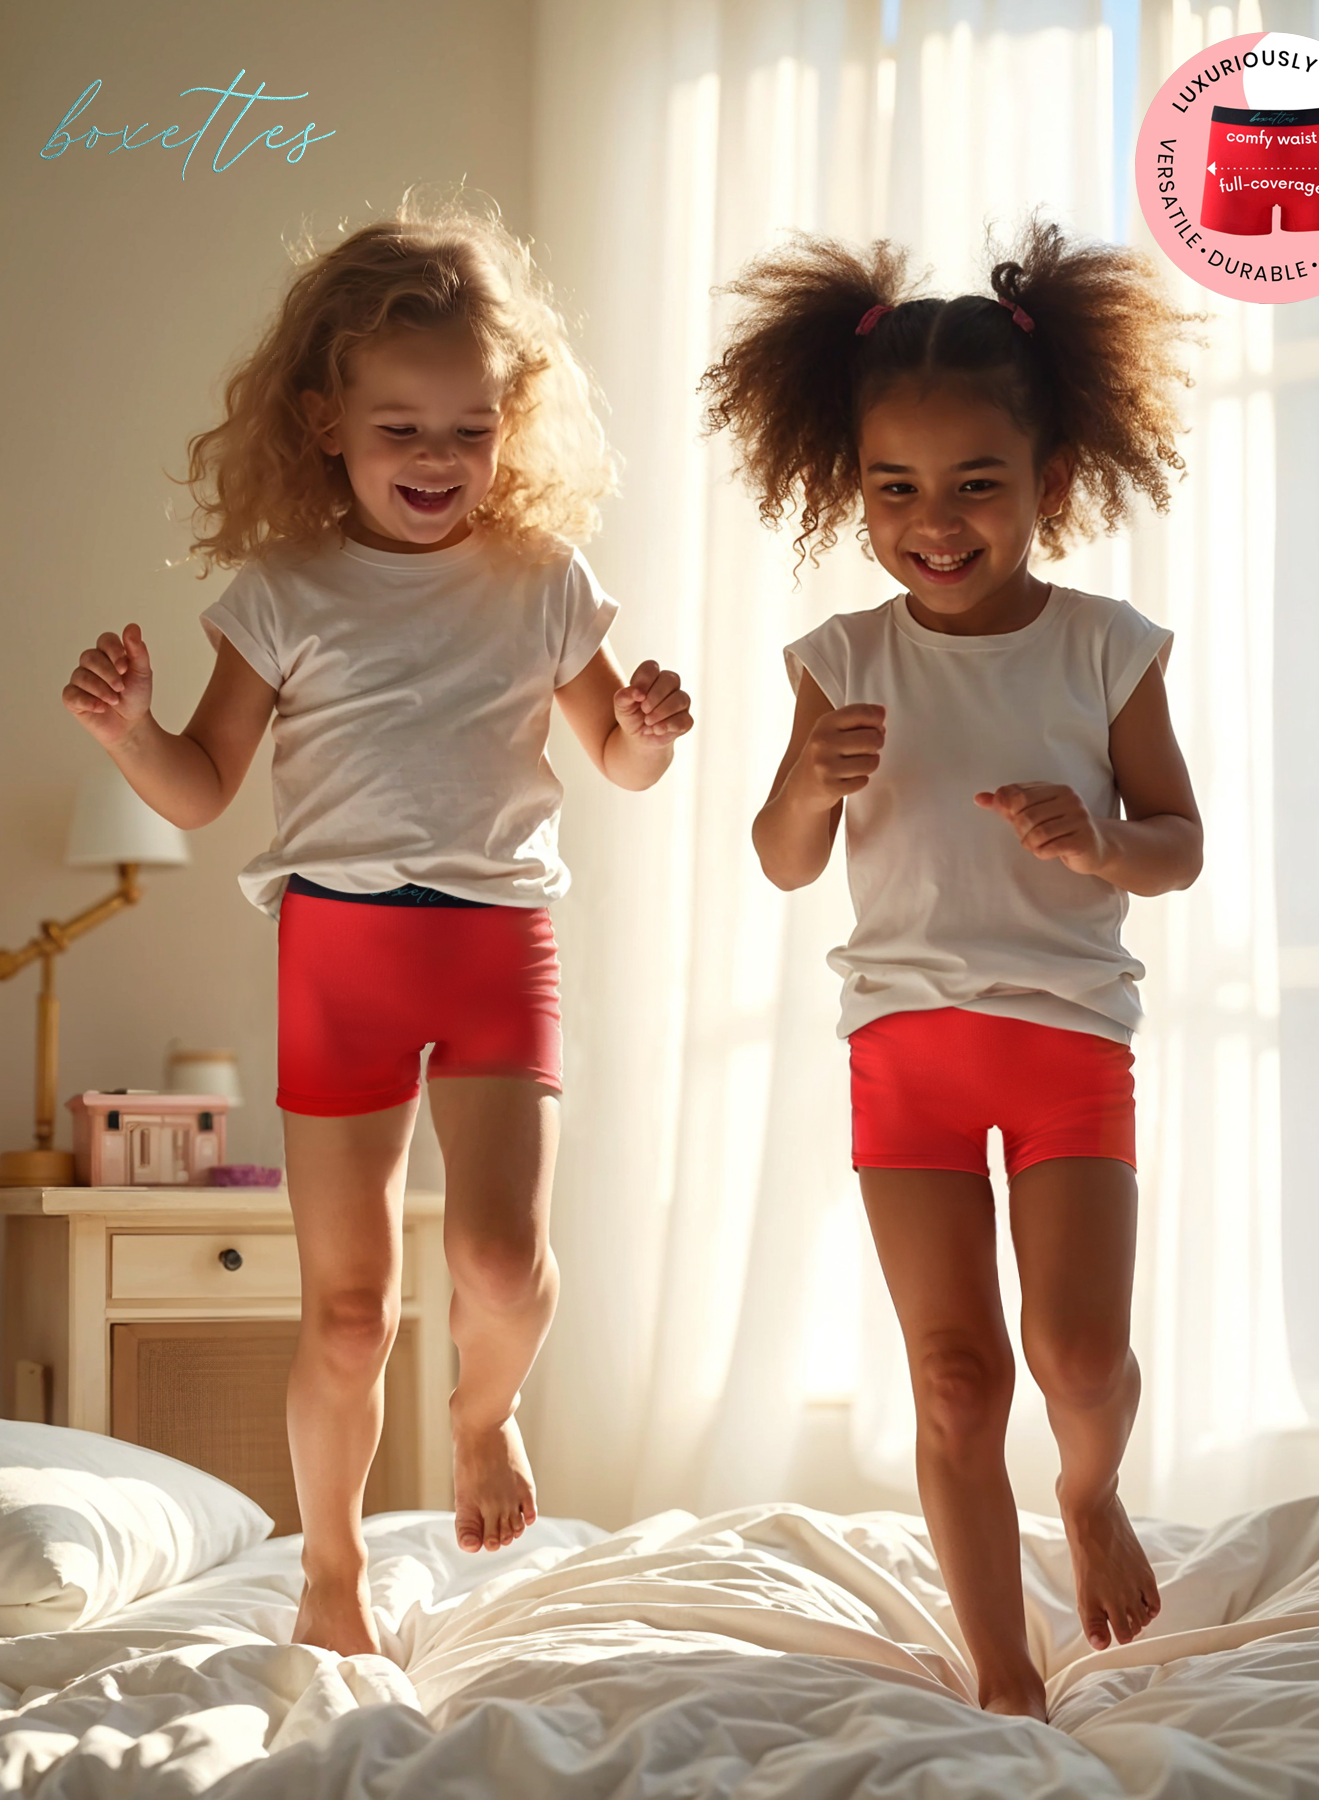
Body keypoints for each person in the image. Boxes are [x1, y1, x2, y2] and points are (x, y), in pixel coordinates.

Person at [61, 196, 692, 1658]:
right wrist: (127, 732)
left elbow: (621, 762)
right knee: (348, 1312)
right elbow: (207, 785)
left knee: (499, 1265)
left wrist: (652, 729)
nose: (435, 458)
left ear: (509, 429)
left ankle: (488, 1418)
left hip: (494, 945)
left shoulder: (544, 583)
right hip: (338, 945)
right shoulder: (281, 594)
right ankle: (330, 1572)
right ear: (324, 420)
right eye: (399, 426)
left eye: (467, 429)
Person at [705, 217, 1204, 1721]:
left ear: (1054, 482)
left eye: (978, 485)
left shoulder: (1107, 647)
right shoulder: (838, 660)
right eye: (894, 489)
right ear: (847, 487)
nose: (936, 521)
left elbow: (1178, 842)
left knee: (1075, 1355)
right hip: (902, 1052)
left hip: (1064, 1044)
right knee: (953, 1376)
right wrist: (809, 781)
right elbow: (785, 859)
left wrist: (1100, 841)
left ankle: (1095, 1488)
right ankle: (1002, 1672)